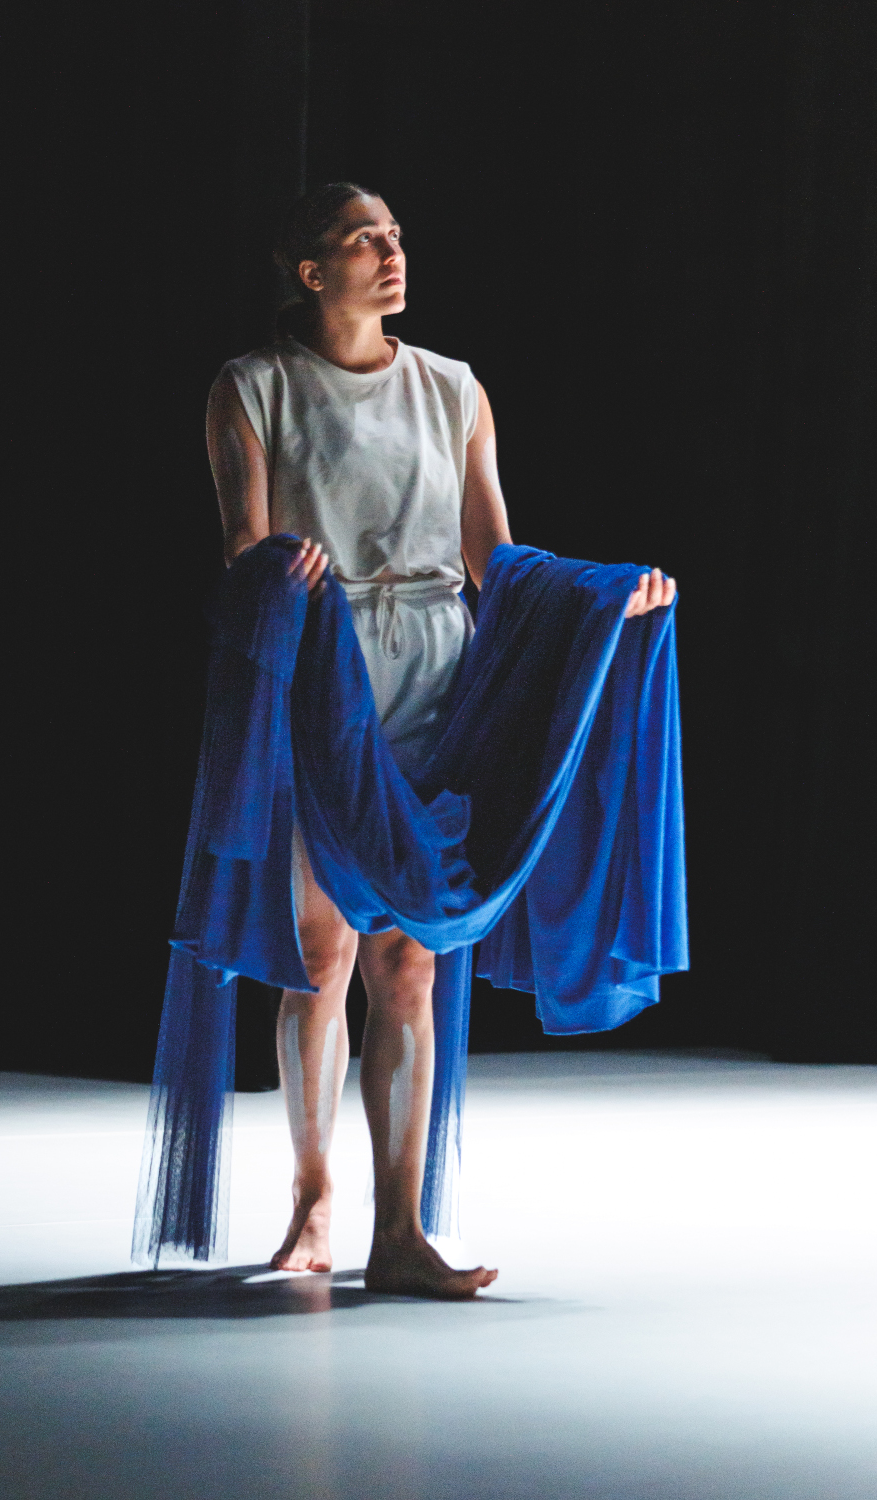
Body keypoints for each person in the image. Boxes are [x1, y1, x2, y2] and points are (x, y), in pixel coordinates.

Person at [205, 182, 675, 1299]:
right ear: (310, 271)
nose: (391, 250)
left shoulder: (452, 388)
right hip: (321, 673)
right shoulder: (253, 387)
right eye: (363, 238)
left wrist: (607, 598)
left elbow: (494, 561)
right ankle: (315, 1192)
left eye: (396, 234)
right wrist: (284, 572)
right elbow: (242, 546)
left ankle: (402, 1229)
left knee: (409, 955)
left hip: (435, 673)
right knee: (319, 953)